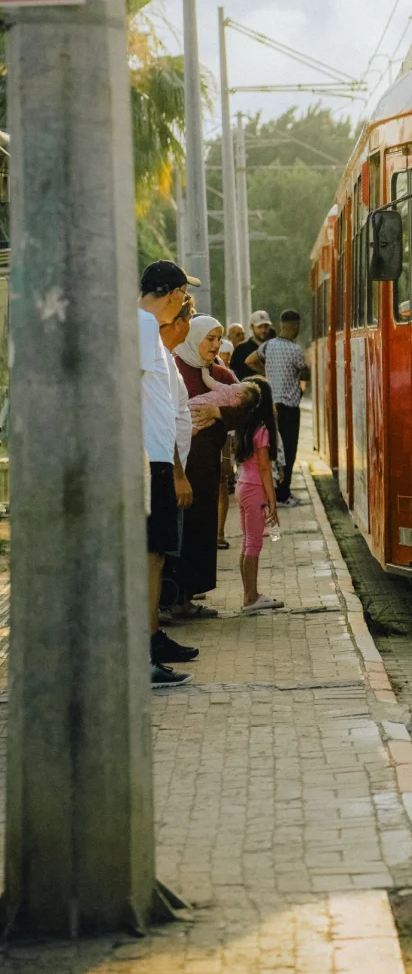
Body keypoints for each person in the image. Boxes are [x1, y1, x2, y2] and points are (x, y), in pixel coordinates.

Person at [138, 260, 197, 688]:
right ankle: (143, 652)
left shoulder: (149, 333)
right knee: (147, 558)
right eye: (181, 295)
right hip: (146, 459)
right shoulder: (140, 326)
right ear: (174, 293)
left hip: (156, 456)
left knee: (155, 556)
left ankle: (151, 642)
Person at [172, 315, 242, 618]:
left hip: (207, 468)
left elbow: (250, 410)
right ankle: (171, 600)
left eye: (218, 339)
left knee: (200, 531)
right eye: (209, 339)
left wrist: (218, 413)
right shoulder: (173, 370)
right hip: (177, 469)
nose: (215, 345)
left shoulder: (221, 375)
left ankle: (187, 599)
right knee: (177, 534)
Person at [248, 308, 309, 506]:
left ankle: (271, 492)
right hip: (289, 408)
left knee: (273, 449)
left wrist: (265, 372)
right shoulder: (295, 350)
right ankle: (284, 494)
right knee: (289, 450)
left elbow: (250, 360)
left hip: (271, 406)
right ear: (296, 326)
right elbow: (305, 373)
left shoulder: (268, 346)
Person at [233, 376, 284, 613]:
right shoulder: (262, 429)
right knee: (254, 543)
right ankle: (251, 597)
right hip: (255, 489)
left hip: (242, 486)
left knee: (246, 542)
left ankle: (248, 595)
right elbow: (264, 468)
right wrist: (272, 499)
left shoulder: (243, 425)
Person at [232, 309, 274, 382]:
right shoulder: (240, 350)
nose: (263, 330)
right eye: (260, 326)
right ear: (252, 327)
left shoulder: (275, 348)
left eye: (266, 326)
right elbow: (234, 375)